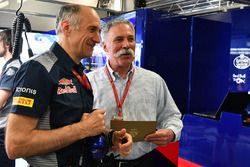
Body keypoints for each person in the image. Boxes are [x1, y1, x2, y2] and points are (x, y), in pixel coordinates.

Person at [5, 5, 132, 167]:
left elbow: (77, 126)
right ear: (67, 28)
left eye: (99, 31)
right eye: (92, 30)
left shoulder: (78, 73)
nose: (98, 39)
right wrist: (83, 129)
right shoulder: (38, 69)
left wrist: (110, 137)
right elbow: (16, 145)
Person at [87, 18, 183, 166]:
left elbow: (172, 115)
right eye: (119, 39)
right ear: (105, 47)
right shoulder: (89, 82)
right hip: (101, 161)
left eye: (130, 39)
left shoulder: (154, 81)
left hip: (146, 160)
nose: (126, 45)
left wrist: (171, 132)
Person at [0, 29, 22, 167]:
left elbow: (0, 102)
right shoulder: (9, 66)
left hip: (3, 132)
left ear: (7, 44)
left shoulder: (13, 67)